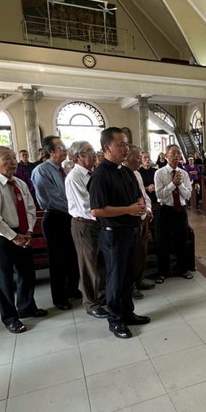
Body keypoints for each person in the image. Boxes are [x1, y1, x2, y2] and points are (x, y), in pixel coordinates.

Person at [0, 146, 47, 333]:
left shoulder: (19, 183)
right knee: (4, 279)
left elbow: (30, 208)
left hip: (22, 232)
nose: (13, 162)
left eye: (14, 158)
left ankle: (26, 306)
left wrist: (28, 231)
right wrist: (14, 237)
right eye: (7, 158)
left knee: (27, 272)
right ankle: (10, 318)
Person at [89, 127, 150, 339]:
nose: (126, 148)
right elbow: (97, 210)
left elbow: (137, 197)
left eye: (126, 144)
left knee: (129, 277)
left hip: (131, 231)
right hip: (114, 234)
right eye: (121, 144)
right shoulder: (100, 174)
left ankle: (127, 313)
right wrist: (128, 210)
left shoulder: (125, 172)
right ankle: (115, 320)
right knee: (115, 279)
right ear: (107, 147)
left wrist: (140, 205)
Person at [31, 135, 80, 309]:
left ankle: (72, 289)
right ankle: (59, 298)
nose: (65, 150)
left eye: (64, 146)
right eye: (60, 147)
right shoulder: (42, 170)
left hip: (70, 216)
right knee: (58, 260)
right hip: (55, 218)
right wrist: (76, 209)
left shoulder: (64, 169)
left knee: (73, 256)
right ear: (50, 151)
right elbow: (52, 199)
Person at [65, 141, 107, 319]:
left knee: (101, 262)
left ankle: (101, 295)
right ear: (78, 157)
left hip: (99, 222)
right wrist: (109, 213)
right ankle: (90, 303)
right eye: (88, 152)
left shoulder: (94, 173)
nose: (94, 154)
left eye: (93, 150)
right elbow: (86, 206)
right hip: (85, 224)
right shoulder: (74, 177)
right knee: (88, 265)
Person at [154, 144, 193, 283]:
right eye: (173, 153)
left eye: (178, 153)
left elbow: (188, 195)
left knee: (181, 240)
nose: (177, 156)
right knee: (163, 242)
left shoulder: (184, 174)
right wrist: (172, 184)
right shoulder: (159, 173)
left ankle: (182, 269)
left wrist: (179, 184)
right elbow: (159, 194)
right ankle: (162, 272)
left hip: (180, 210)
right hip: (165, 210)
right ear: (166, 155)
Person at [124, 144, 155, 297]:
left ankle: (139, 280)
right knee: (131, 255)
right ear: (127, 157)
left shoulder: (137, 174)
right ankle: (130, 286)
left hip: (142, 218)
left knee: (141, 252)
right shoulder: (122, 174)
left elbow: (144, 195)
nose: (140, 160)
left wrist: (148, 209)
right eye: (137, 157)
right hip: (130, 221)